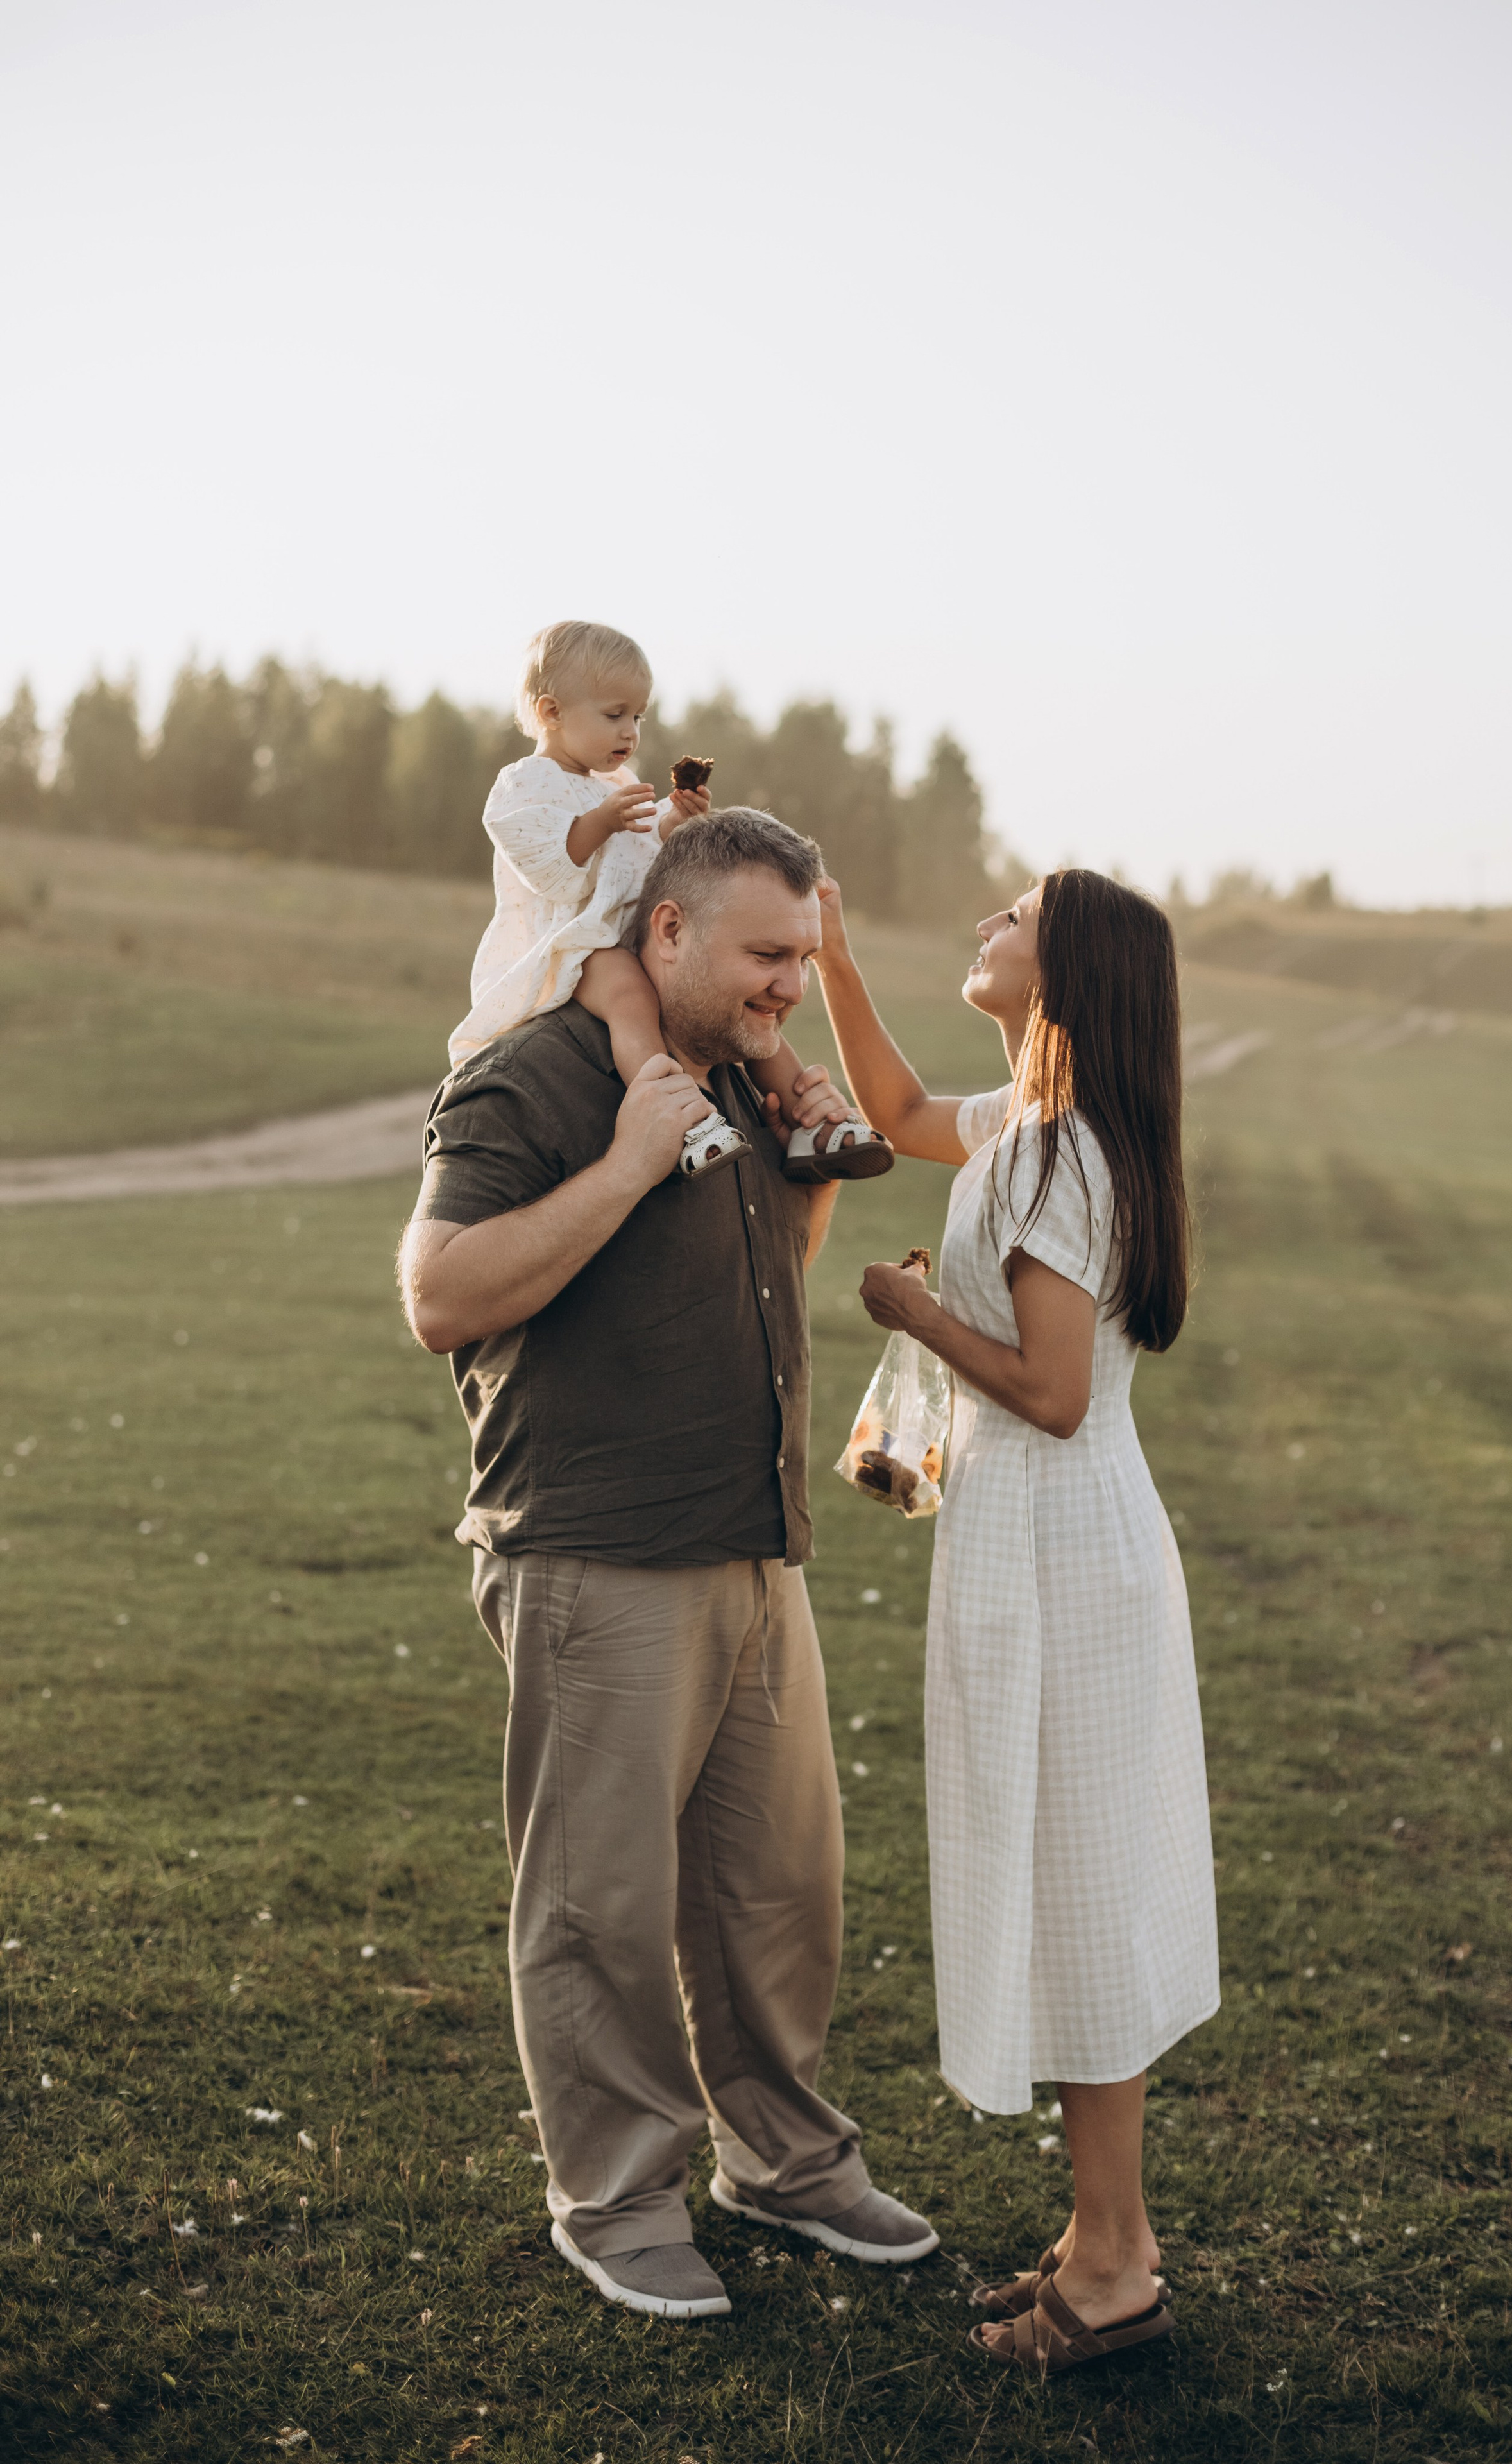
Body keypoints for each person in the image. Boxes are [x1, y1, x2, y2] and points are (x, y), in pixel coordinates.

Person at [398, 807, 939, 2322]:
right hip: (595, 1547)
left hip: (755, 1542)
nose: (788, 982)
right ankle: (617, 2196)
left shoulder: (742, 1080)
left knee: (778, 1891)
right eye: (769, 955)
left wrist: (816, 1155)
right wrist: (633, 1160)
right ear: (668, 931)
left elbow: (769, 1265)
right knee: (599, 1904)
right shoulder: (542, 1073)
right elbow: (438, 1293)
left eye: (804, 956)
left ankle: (780, 2158)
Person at [813, 868, 1219, 2378]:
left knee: (1075, 1883)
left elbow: (1048, 1393)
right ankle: (1091, 2229)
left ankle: (1113, 2266)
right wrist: (838, 958)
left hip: (1060, 1546)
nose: (982, 916)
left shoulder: (1060, 1161)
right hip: (1043, 1543)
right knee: (1064, 1878)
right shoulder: (1029, 1132)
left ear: (1070, 969)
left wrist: (911, 1311)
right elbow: (906, 1106)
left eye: (1012, 910)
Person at [448, 618, 890, 1184]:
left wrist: (673, 821)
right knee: (632, 998)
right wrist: (599, 822)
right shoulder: (525, 785)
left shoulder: (613, 784)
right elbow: (551, 873)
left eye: (638, 717)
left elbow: (636, 854)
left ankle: (811, 1120)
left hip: (624, 930)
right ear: (551, 712)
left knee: (748, 1014)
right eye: (614, 715)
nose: (630, 732)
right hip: (573, 942)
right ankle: (678, 1117)